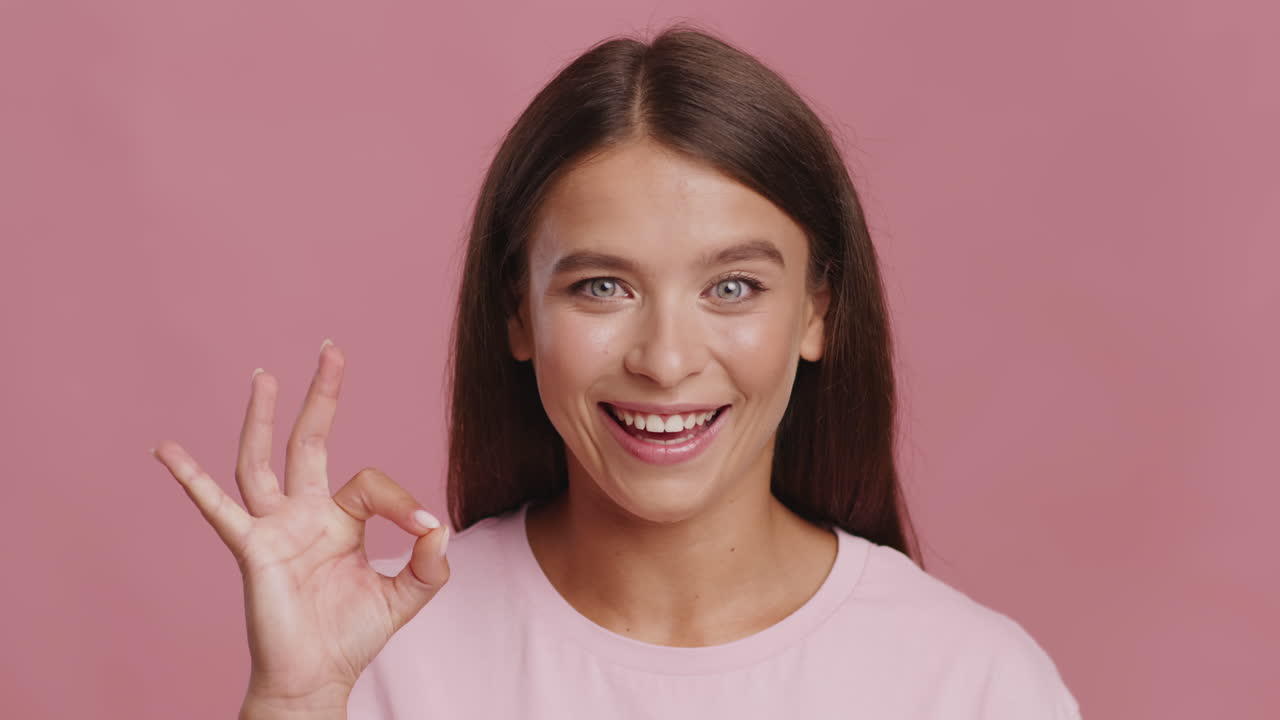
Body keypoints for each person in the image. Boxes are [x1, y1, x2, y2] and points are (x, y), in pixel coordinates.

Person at [152, 23, 1082, 720]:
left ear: (817, 312)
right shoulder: (384, 652)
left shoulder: (971, 684)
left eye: (732, 286)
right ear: (518, 311)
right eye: (601, 286)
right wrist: (295, 699)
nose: (666, 359)